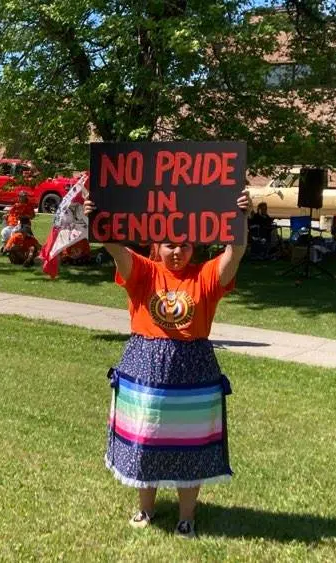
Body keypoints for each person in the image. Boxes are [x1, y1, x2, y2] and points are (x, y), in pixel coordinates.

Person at [84, 191, 250, 540]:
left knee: (192, 444)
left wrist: (241, 216)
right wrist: (97, 217)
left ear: (194, 248)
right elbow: (114, 247)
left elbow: (235, 252)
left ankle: (187, 517)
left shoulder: (204, 276)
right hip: (145, 370)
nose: (177, 252)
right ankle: (145, 508)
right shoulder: (143, 272)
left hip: (194, 373)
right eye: (169, 245)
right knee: (146, 438)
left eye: (185, 246)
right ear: (155, 246)